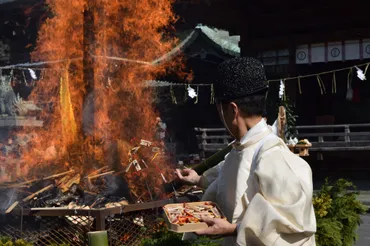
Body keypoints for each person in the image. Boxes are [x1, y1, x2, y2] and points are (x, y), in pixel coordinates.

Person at [176, 57, 316, 246]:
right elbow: (229, 180)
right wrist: (198, 179)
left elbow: (295, 229)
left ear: (232, 110)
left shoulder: (276, 157)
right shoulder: (241, 149)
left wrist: (234, 229)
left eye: (219, 109)